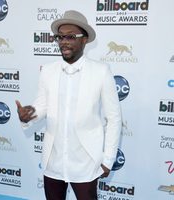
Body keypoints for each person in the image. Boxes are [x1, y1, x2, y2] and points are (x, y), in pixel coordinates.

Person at [16, 10, 121, 200]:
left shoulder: (101, 72)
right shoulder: (48, 71)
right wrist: (29, 114)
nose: (63, 42)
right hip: (53, 162)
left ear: (84, 40)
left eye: (70, 37)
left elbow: (114, 118)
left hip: (86, 162)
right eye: (60, 37)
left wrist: (108, 159)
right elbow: (42, 106)